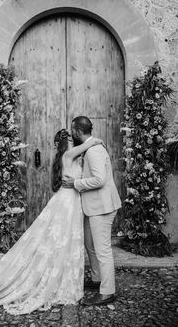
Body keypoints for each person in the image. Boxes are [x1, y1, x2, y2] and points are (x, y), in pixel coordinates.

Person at [0, 129, 103, 315]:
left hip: (71, 200)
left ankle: (62, 274)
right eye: (69, 138)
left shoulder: (70, 156)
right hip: (67, 202)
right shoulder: (69, 154)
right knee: (61, 236)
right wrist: (96, 140)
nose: (73, 139)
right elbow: (87, 144)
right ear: (65, 142)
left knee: (64, 239)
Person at [62, 116, 121, 306]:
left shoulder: (94, 151)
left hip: (102, 207)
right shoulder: (89, 148)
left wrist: (75, 183)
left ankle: (107, 292)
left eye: (73, 130)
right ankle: (97, 280)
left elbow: (99, 180)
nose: (71, 134)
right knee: (90, 245)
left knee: (103, 250)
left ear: (78, 131)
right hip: (93, 207)